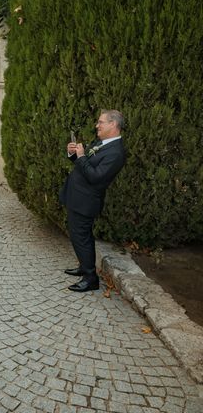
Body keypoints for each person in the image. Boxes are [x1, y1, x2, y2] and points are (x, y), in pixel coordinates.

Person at [60, 109, 126, 292]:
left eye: (101, 122)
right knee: (80, 236)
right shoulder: (102, 143)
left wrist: (81, 156)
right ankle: (84, 265)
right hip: (77, 197)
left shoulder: (116, 153)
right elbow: (83, 166)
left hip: (86, 202)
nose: (97, 125)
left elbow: (96, 176)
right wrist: (73, 154)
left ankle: (90, 278)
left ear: (113, 125)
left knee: (81, 237)